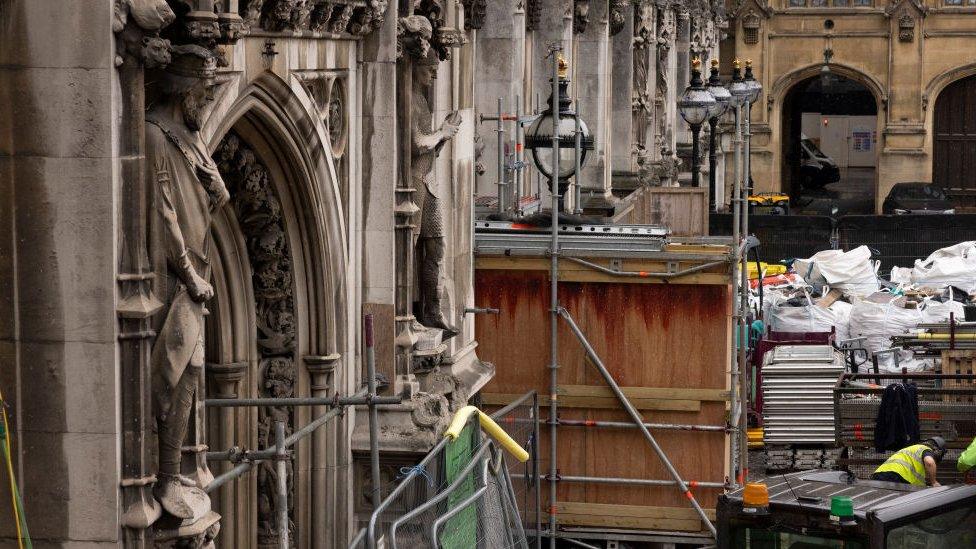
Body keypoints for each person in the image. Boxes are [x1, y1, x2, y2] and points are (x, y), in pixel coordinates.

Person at [871, 437, 946, 487]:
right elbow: (929, 462)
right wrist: (934, 482)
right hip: (896, 477)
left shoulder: (911, 449)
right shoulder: (925, 449)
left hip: (878, 475)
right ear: (936, 450)